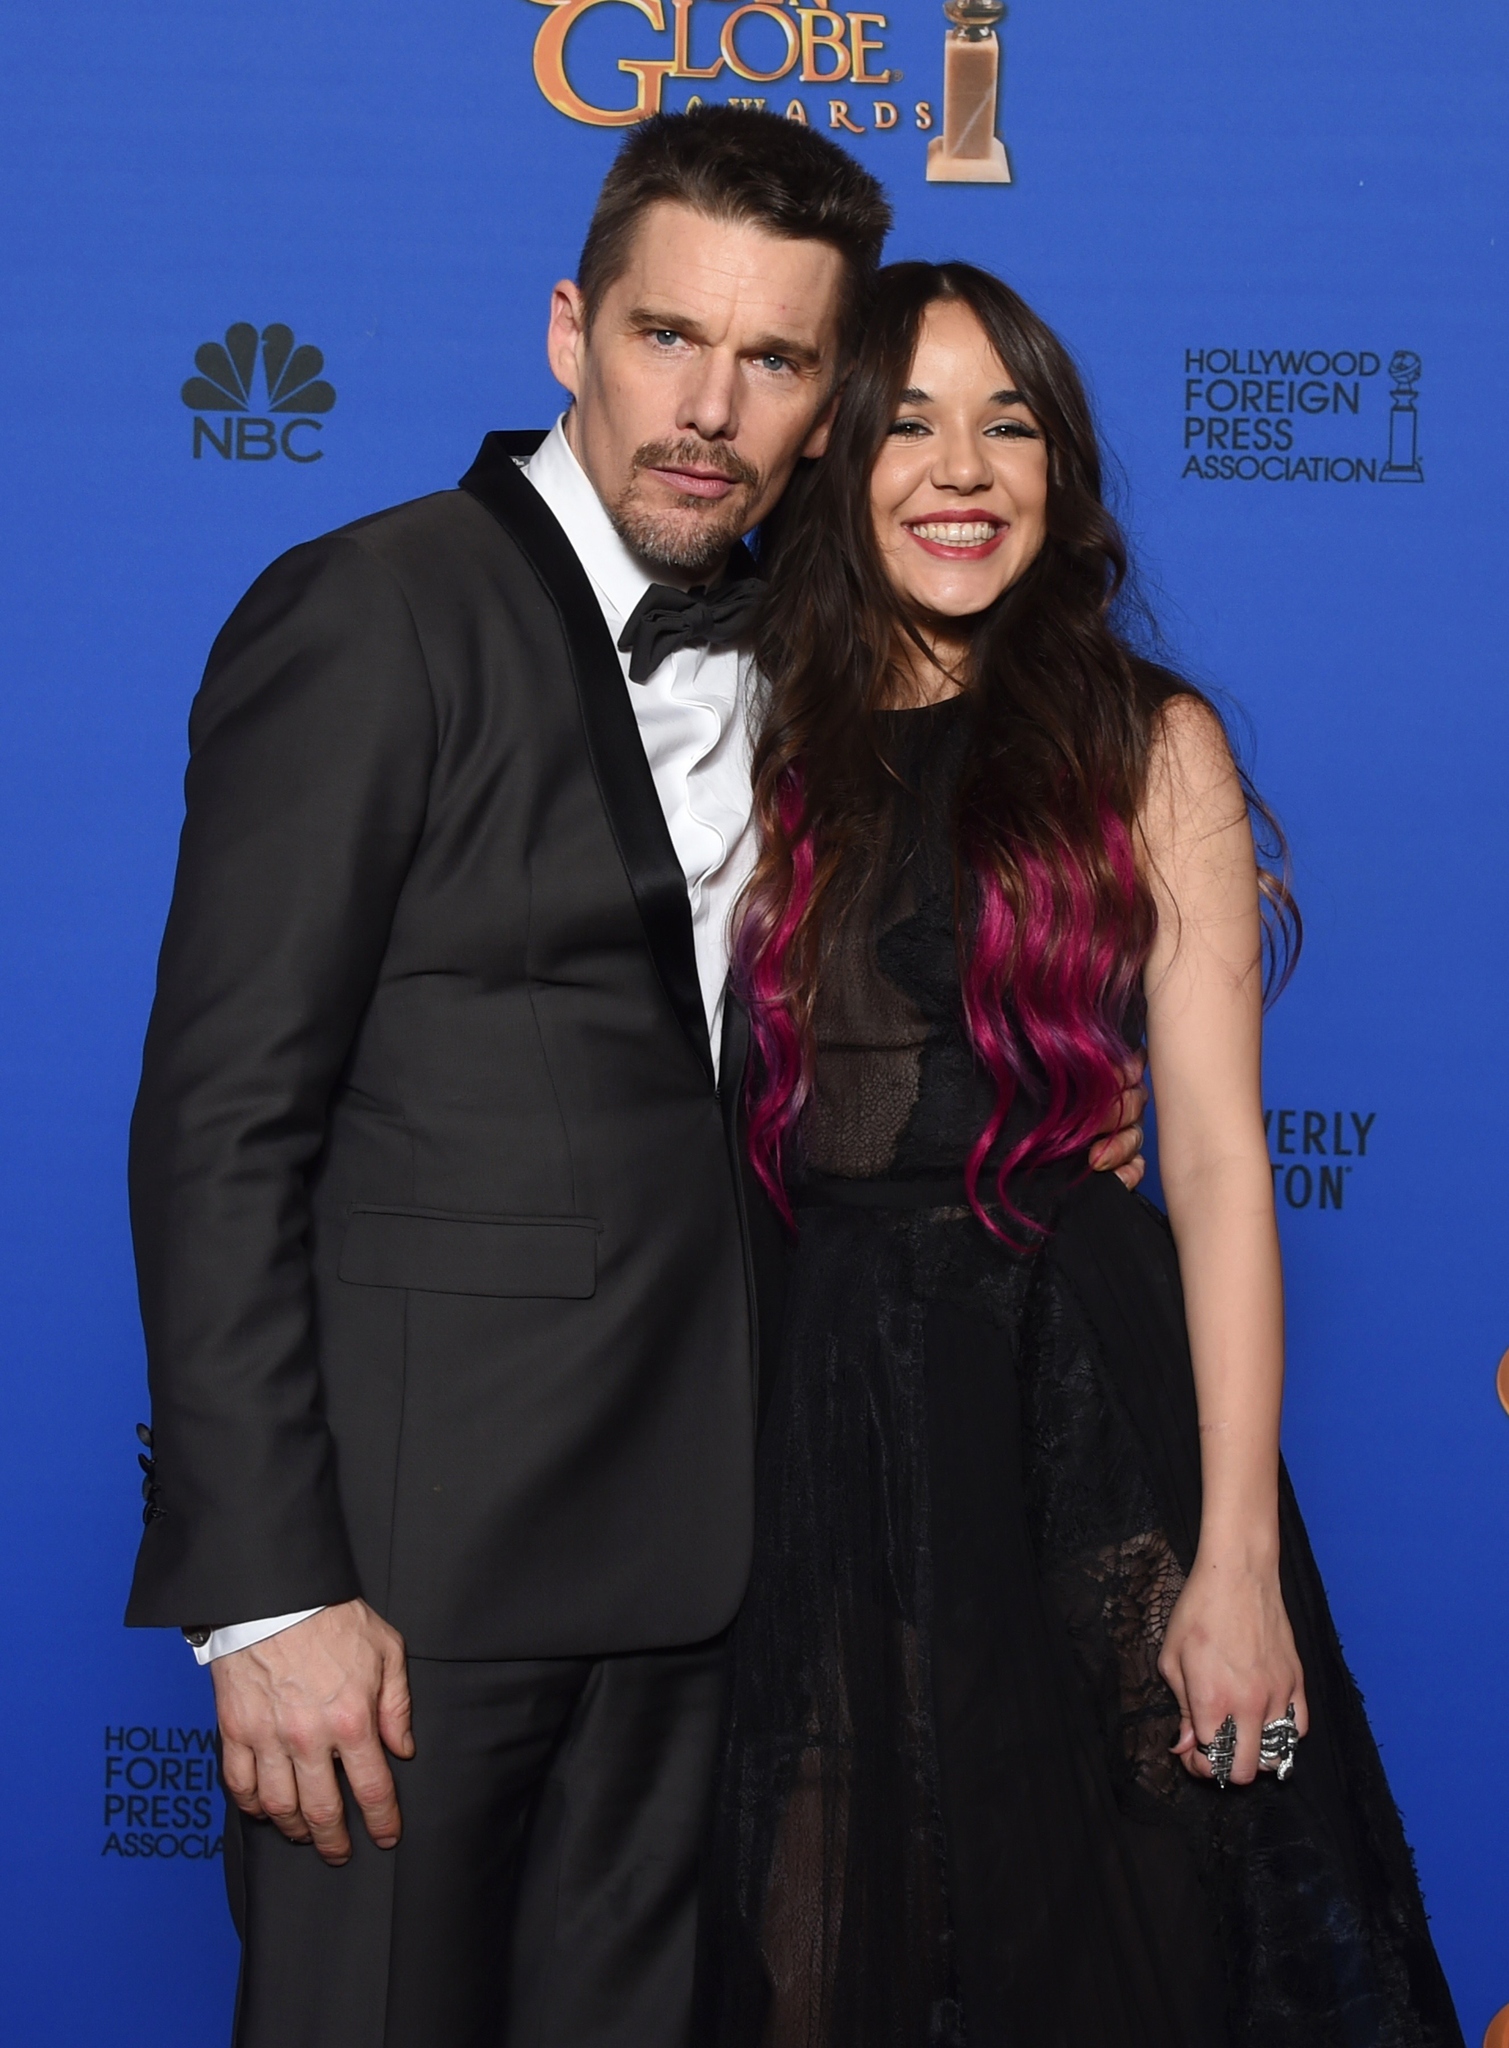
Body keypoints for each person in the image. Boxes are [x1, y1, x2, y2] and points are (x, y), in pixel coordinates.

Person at [123, 109, 1151, 2047]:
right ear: (565, 329)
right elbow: (219, 1117)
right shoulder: (373, 610)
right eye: (667, 338)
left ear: (823, 409)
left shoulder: (818, 659)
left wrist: (1070, 1075)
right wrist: (263, 1596)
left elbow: (947, 924)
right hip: (404, 1601)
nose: (709, 406)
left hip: (712, 1585)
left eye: (771, 362)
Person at [697, 262, 1464, 2047]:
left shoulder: (1146, 741)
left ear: (1060, 469)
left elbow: (1206, 1160)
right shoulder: (745, 738)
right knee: (812, 1953)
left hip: (1079, 1409)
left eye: (1008, 422)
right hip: (817, 1418)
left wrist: (1235, 1558)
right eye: (903, 422)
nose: (960, 468)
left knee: (1134, 1949)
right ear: (825, 463)